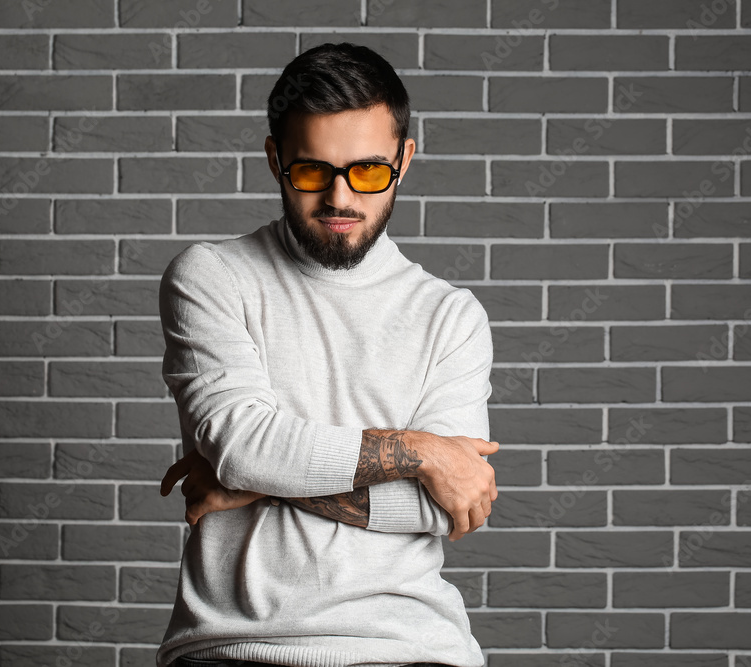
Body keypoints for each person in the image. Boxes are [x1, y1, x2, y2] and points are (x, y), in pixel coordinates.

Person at [155, 42, 499, 667]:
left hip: (415, 649)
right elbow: (244, 448)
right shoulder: (212, 277)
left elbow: (440, 505)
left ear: (404, 160)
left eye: (368, 171)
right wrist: (422, 452)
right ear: (275, 160)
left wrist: (256, 483)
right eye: (313, 171)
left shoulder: (451, 316)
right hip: (237, 647)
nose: (340, 198)